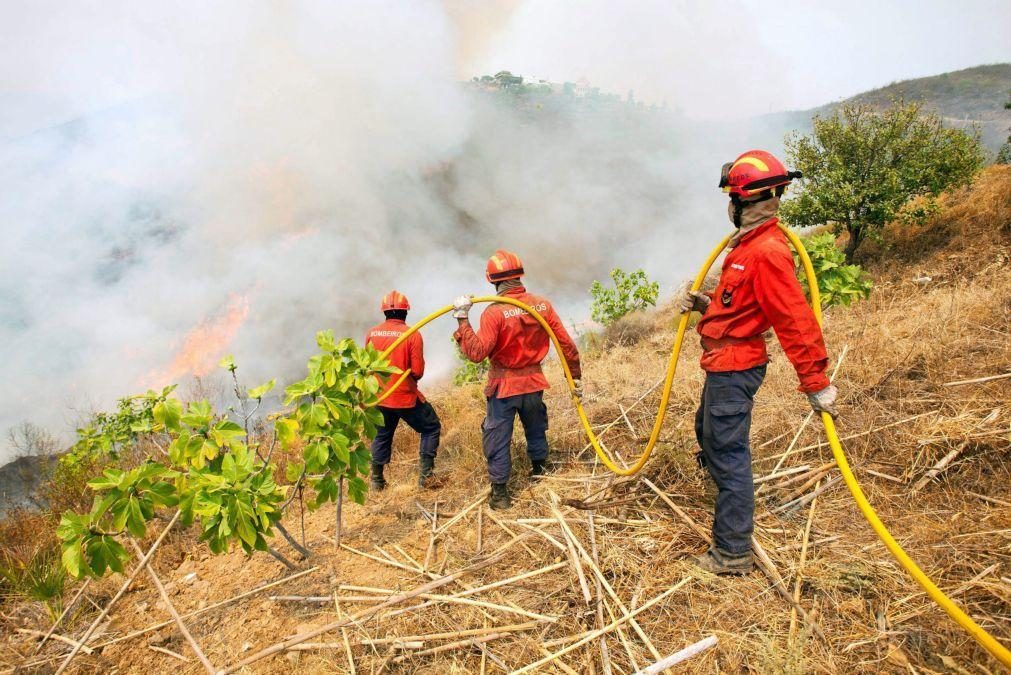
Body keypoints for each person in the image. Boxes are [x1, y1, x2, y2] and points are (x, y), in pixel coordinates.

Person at [679, 150, 839, 575]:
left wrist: (815, 381)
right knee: (707, 433)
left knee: (729, 452)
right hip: (722, 361)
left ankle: (731, 552)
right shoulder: (746, 249)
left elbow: (794, 320)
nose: (728, 208)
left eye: (731, 199)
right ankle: (729, 496)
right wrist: (705, 304)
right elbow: (740, 307)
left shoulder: (766, 252)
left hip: (735, 367)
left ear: (743, 202)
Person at [452, 249, 582, 510]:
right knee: (536, 428)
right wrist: (575, 378)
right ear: (520, 275)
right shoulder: (542, 304)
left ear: (492, 280)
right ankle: (540, 472)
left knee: (498, 437)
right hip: (534, 383)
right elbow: (567, 345)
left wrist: (462, 319)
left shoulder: (494, 312)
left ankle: (500, 495)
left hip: (504, 387)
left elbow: (477, 353)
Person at [365, 290, 441, 490]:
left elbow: (366, 366)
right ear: (405, 312)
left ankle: (376, 481)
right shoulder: (412, 334)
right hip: (404, 397)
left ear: (384, 313)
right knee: (431, 427)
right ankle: (426, 477)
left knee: (382, 434)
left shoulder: (372, 333)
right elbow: (417, 371)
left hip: (380, 397)